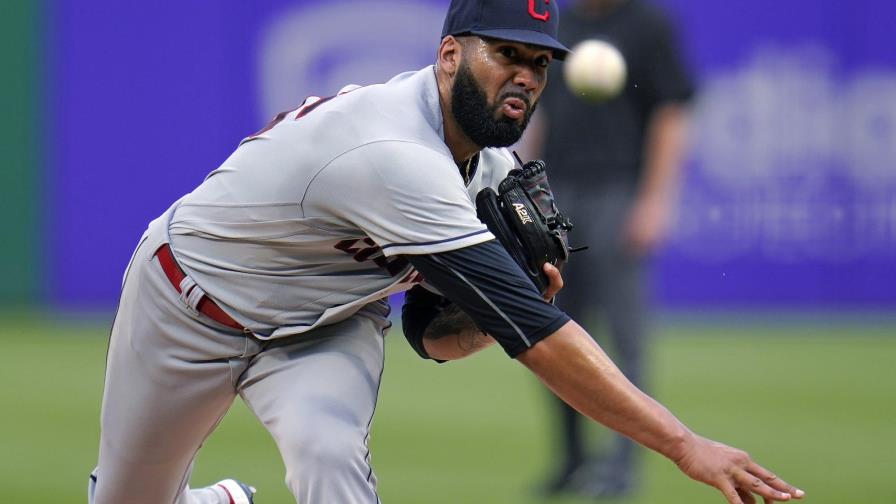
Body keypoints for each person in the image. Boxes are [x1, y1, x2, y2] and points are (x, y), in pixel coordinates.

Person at [88, 1, 803, 503]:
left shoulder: (489, 169)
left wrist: (490, 317)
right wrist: (684, 445)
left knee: (327, 455)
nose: (525, 75)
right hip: (189, 305)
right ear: (451, 54)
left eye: (539, 62)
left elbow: (431, 337)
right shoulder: (395, 152)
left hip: (325, 324)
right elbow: (543, 339)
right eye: (506, 54)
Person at [528, 0, 697, 497]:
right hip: (556, 193)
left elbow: (671, 113)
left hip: (619, 193)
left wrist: (656, 200)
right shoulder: (561, 22)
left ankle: (622, 469)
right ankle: (573, 460)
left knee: (624, 342)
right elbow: (539, 110)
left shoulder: (647, 24)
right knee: (553, 330)